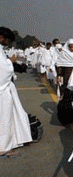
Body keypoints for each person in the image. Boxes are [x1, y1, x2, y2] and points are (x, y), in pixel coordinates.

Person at [0, 27, 32, 158]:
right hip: (2, 91)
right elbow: (3, 69)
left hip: (4, 89)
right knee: (4, 118)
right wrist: (10, 62)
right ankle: (3, 148)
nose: (7, 43)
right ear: (2, 37)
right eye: (7, 40)